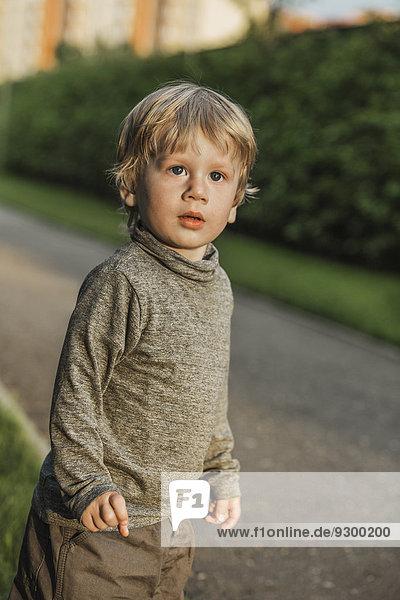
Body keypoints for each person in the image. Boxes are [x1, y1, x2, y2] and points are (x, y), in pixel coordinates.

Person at [9, 81, 258, 600]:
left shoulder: (218, 287)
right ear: (130, 184)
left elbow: (210, 392)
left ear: (234, 201)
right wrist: (85, 484)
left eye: (217, 176)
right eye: (177, 170)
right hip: (101, 524)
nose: (197, 190)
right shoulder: (122, 282)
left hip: (173, 522)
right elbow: (77, 390)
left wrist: (219, 469)